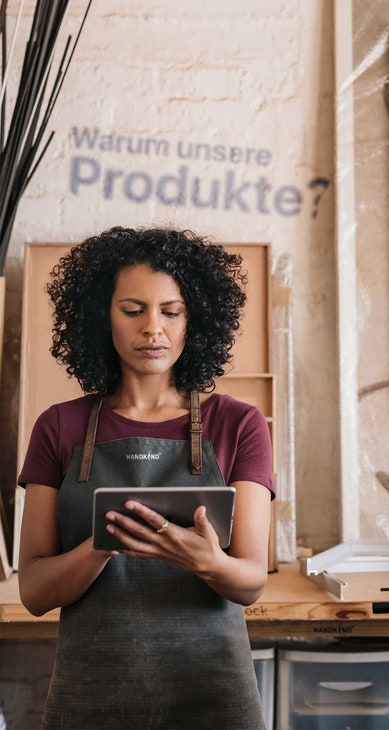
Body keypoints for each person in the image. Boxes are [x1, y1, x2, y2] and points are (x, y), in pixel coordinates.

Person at [17, 226, 274, 729]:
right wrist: (105, 543)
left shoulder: (239, 424)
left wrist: (207, 561)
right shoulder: (59, 426)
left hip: (211, 693)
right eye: (133, 311)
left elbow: (251, 581)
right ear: (102, 317)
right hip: (91, 696)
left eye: (171, 312)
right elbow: (34, 592)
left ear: (193, 320)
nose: (152, 328)